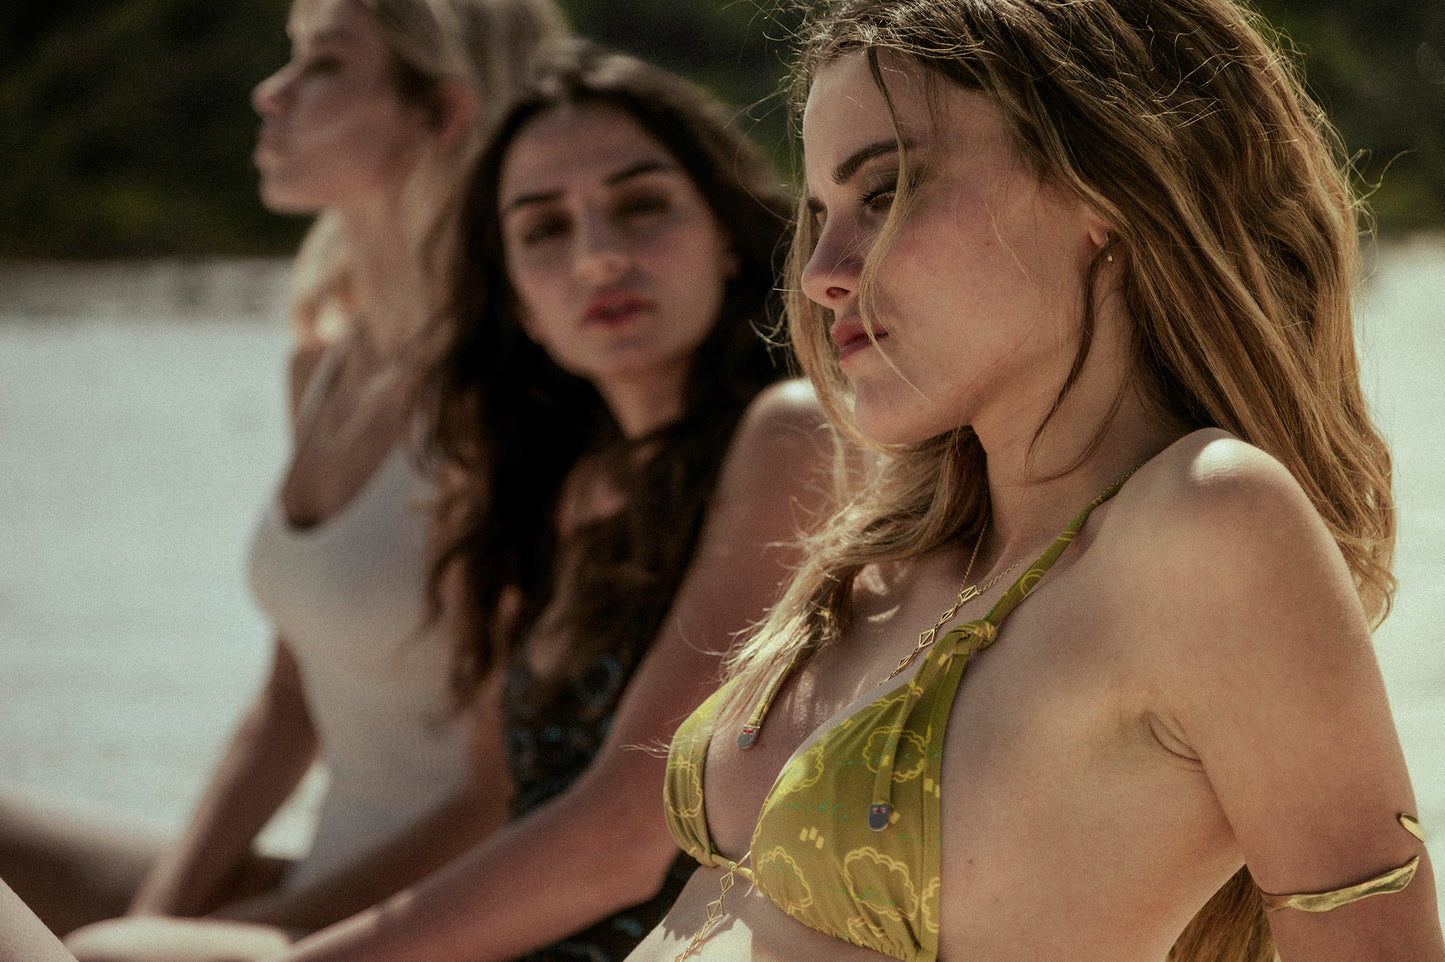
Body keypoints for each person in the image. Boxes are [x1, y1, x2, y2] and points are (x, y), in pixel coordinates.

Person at [625, 1, 1445, 961]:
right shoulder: (899, 543)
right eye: (818, 216)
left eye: (884, 193)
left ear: (1104, 187)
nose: (821, 273)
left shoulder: (1207, 521)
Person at [87, 40, 845, 962]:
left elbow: (622, 836)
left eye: (642, 206)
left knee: (108, 954)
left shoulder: (796, 435)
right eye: (543, 229)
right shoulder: (550, 487)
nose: (598, 258)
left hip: (673, 947)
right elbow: (499, 801)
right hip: (507, 939)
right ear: (518, 300)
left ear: (726, 234)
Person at [0, 0, 569, 956]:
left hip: (448, 920)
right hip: (321, 880)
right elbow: (287, 710)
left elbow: (496, 799)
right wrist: (153, 925)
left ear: (442, 111)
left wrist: (266, 935)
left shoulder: (511, 394)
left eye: (324, 65)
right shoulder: (324, 365)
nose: (272, 95)